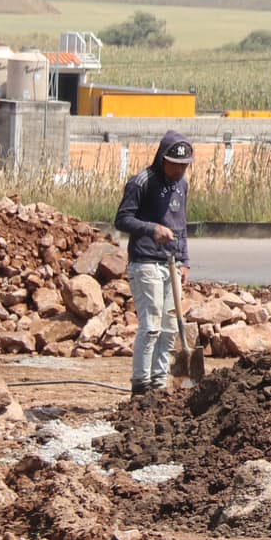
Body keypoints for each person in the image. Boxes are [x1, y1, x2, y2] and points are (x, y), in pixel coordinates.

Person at [116, 131, 194, 396]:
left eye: (185, 165)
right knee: (151, 326)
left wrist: (185, 261)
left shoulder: (182, 186)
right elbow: (122, 219)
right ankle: (141, 385)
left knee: (170, 327)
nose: (180, 170)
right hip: (145, 262)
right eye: (175, 164)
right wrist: (151, 229)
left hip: (171, 263)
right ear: (162, 159)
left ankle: (159, 385)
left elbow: (181, 225)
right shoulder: (141, 183)